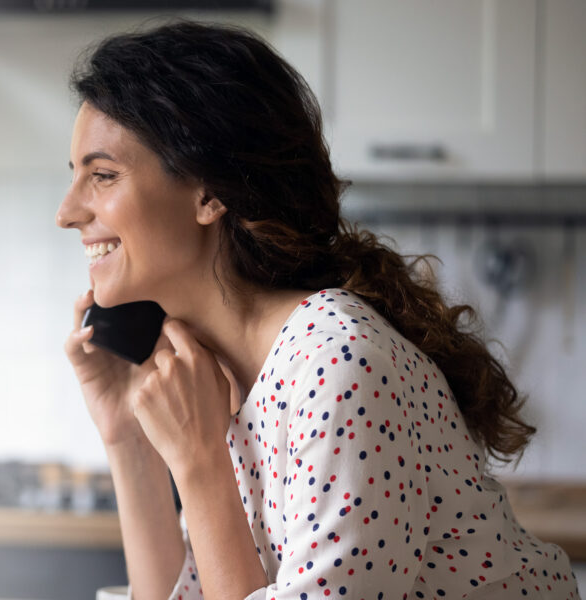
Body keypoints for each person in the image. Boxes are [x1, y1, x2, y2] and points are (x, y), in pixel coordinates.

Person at [55, 20, 580, 600]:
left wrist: (200, 463)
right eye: (75, 177)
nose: (68, 212)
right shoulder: (222, 374)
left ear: (209, 194)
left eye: (102, 176)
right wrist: (128, 438)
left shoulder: (338, 366)